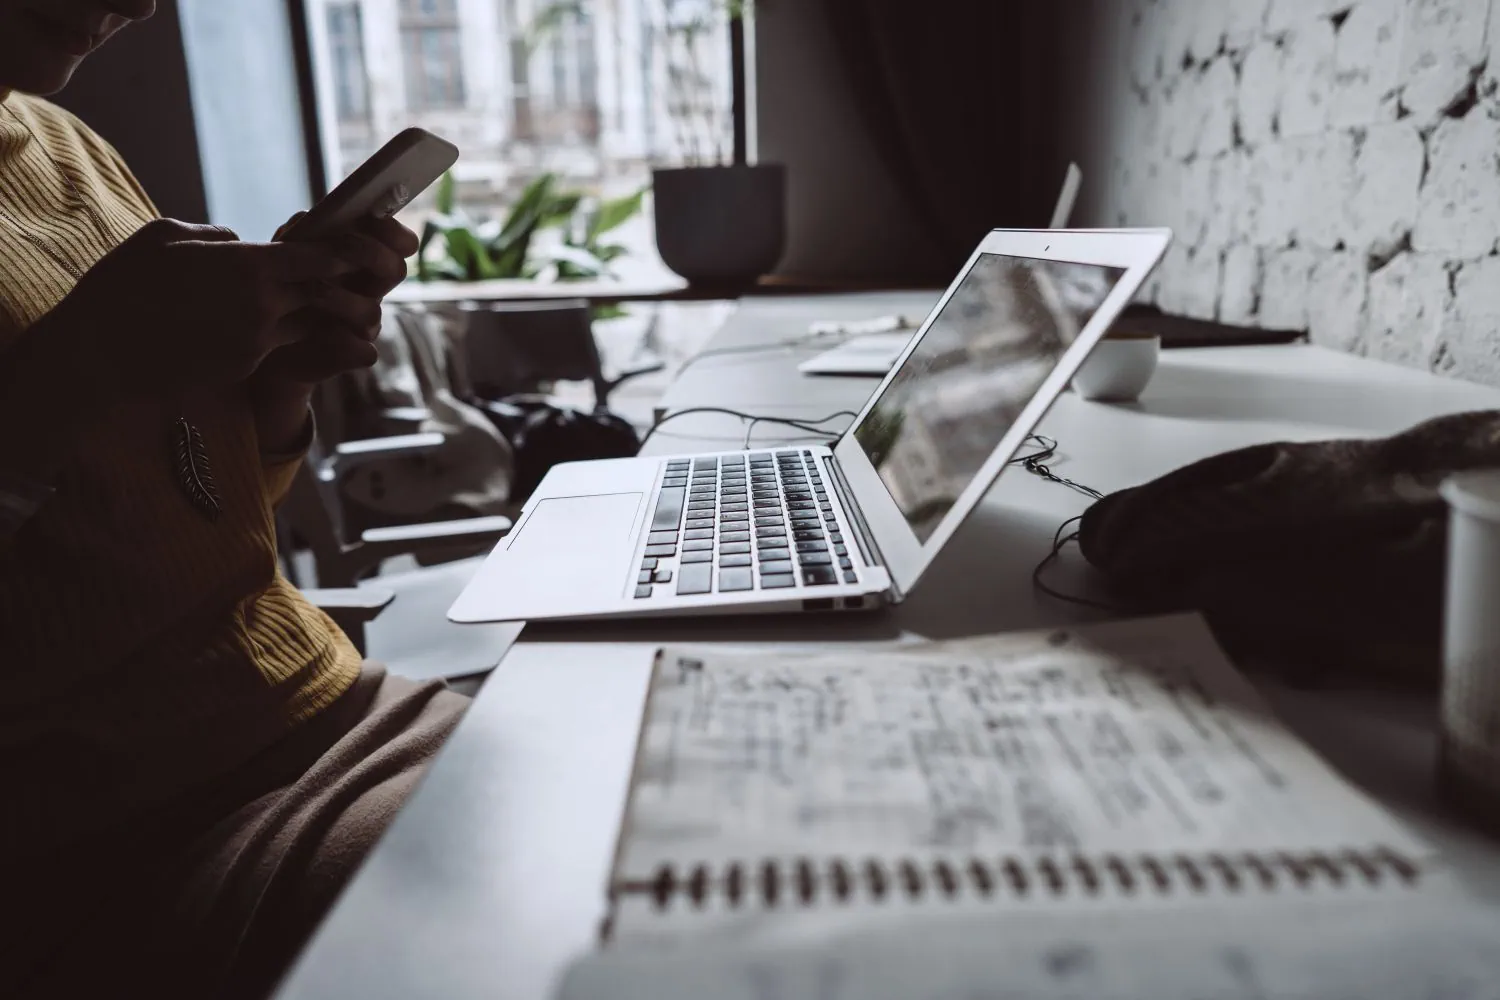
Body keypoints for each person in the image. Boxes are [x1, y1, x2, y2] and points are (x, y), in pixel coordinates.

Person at [0, 3, 470, 997]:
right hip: (140, 835)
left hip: (339, 709)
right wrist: (81, 363)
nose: (144, 6)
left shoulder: (57, 141)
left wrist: (275, 387)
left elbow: (187, 500)